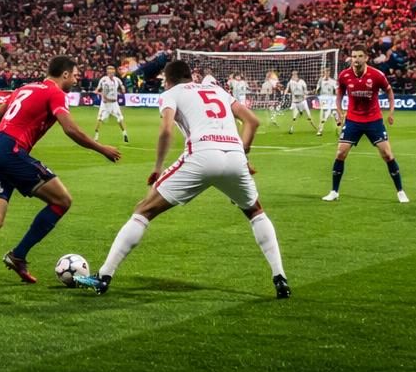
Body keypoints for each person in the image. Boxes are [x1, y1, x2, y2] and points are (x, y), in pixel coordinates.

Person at [76, 61, 289, 298]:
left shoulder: (171, 93)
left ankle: (104, 276)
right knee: (255, 212)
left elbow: (166, 130)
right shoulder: (217, 90)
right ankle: (280, 277)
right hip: (234, 156)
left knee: (143, 210)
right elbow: (252, 121)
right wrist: (243, 153)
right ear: (190, 76)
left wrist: (158, 167)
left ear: (168, 80)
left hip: (201, 154)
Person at [0, 56, 121, 293]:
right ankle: (18, 255)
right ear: (65, 74)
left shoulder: (25, 88)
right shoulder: (55, 92)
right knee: (62, 200)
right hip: (10, 151)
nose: (76, 80)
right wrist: (101, 148)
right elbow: (70, 129)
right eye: (75, 75)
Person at [324, 49, 407, 203]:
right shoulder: (344, 75)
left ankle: (400, 191)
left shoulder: (377, 75)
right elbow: (340, 94)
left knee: (387, 154)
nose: (356, 59)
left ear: (366, 58)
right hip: (353, 120)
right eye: (354, 56)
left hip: (373, 120)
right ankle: (334, 192)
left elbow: (389, 92)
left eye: (360, 56)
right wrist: (340, 112)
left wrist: (391, 112)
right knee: (340, 153)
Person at [93, 63, 130, 144]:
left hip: (114, 104)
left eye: (112, 72)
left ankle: (125, 135)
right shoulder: (104, 80)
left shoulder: (117, 80)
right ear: (107, 72)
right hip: (105, 104)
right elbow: (98, 90)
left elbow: (121, 85)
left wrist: (123, 88)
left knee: (120, 119)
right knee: (100, 119)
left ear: (114, 72)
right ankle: (96, 136)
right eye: (109, 72)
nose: (111, 73)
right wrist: (99, 93)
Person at [285, 71, 317, 135]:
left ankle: (315, 127)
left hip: (302, 102)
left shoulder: (302, 82)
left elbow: (305, 91)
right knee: (294, 117)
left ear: (297, 75)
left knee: (309, 116)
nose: (293, 76)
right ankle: (291, 129)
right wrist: (285, 92)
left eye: (295, 74)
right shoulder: (290, 82)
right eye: (293, 75)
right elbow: (287, 88)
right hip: (295, 102)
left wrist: (311, 92)